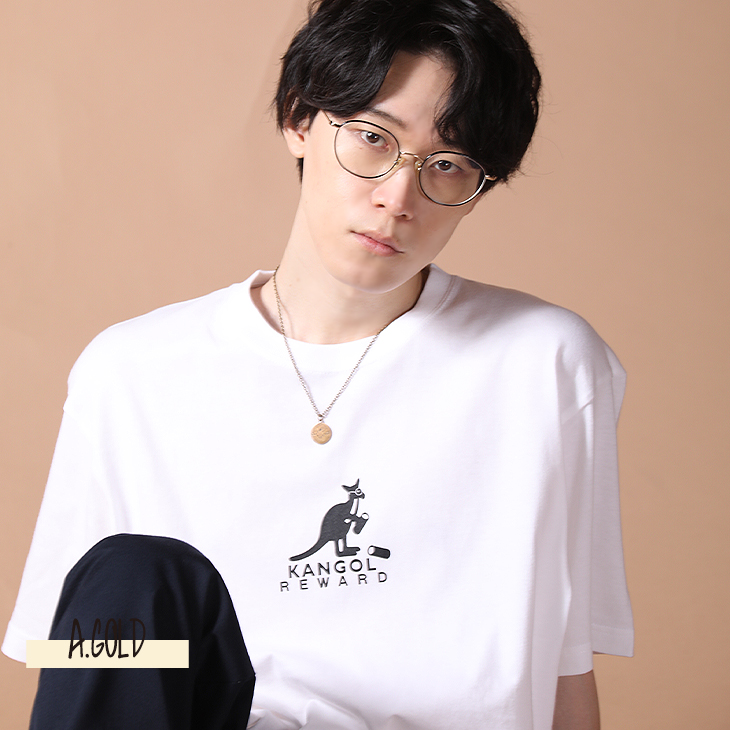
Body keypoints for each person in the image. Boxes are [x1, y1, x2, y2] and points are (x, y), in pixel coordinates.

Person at [3, 0, 634, 728]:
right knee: (133, 579)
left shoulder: (545, 364)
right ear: (299, 119)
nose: (398, 197)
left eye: (447, 165)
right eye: (372, 138)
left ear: (478, 189)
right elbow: (83, 668)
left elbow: (562, 663)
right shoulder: (131, 372)